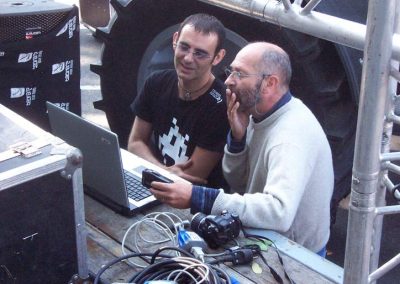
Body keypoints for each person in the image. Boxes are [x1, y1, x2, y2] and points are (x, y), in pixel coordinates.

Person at [148, 42, 334, 256]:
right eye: (231, 71)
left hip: (296, 258)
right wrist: (238, 139)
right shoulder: (259, 114)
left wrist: (199, 197)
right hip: (268, 240)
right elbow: (240, 185)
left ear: (269, 83)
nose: (227, 80)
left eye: (239, 73)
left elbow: (278, 212)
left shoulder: (291, 136)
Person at [128, 14, 229, 187]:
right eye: (184, 47)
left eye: (200, 53)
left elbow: (191, 177)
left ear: (218, 57)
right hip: (158, 182)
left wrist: (154, 169)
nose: (188, 58)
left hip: (196, 201)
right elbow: (135, 143)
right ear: (175, 40)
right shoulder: (156, 82)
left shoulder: (220, 105)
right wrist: (162, 171)